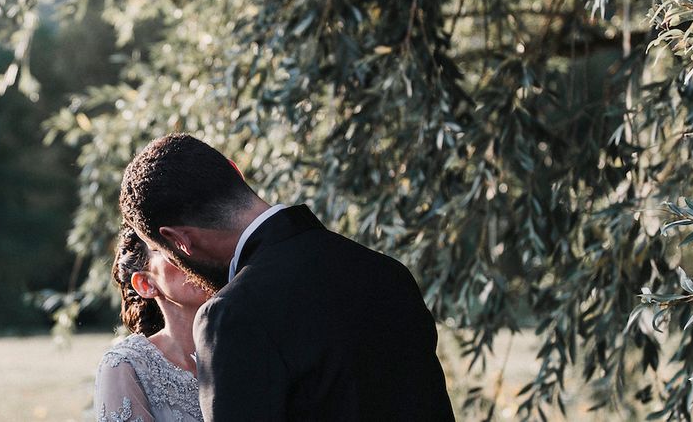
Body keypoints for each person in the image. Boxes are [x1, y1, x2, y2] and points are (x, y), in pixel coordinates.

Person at [120, 133, 455, 421]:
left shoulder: (233, 316)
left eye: (160, 249)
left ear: (180, 240)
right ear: (235, 171)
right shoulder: (388, 273)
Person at [94, 225, 210, 422]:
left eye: (195, 240)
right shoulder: (126, 366)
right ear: (145, 285)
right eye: (171, 247)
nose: (191, 253)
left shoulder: (250, 345)